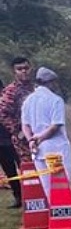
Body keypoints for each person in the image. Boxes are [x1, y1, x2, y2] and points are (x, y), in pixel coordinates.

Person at [21, 67, 71, 199]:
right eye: (54, 82)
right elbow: (55, 125)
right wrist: (41, 137)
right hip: (56, 148)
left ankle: (53, 213)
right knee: (63, 184)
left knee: (47, 185)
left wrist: (31, 140)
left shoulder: (28, 101)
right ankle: (66, 215)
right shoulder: (56, 100)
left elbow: (25, 125)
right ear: (50, 82)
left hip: (38, 150)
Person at [0, 57, 35, 208]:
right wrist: (17, 130)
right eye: (19, 69)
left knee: (31, 167)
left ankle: (34, 196)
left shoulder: (36, 89)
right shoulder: (10, 91)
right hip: (13, 137)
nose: (23, 72)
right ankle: (19, 196)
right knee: (11, 168)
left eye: (26, 68)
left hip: (35, 136)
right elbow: (3, 113)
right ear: (14, 71)